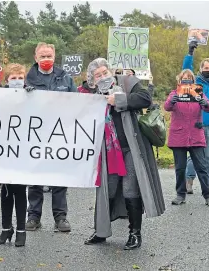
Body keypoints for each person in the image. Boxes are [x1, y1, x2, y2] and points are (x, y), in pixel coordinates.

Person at [82, 58, 165, 250]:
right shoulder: (92, 94)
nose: (102, 77)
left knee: (130, 189)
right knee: (107, 190)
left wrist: (119, 100)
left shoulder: (127, 82)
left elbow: (146, 98)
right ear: (93, 80)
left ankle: (134, 233)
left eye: (105, 72)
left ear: (111, 72)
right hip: (108, 150)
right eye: (98, 75)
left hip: (131, 147)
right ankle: (101, 231)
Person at [25, 42, 76, 232]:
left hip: (59, 134)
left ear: (54, 57)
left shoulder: (66, 79)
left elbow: (78, 103)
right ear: (35, 57)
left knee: (59, 178)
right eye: (42, 56)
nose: (46, 59)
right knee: (36, 178)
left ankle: (60, 217)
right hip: (35, 135)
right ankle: (33, 216)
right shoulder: (27, 79)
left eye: (49, 56)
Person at [0, 64, 33, 247]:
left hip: (23, 148)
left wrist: (33, 96)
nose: (17, 81)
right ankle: (5, 228)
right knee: (6, 190)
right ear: (6, 80)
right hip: (4, 148)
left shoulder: (30, 95)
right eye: (13, 78)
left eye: (20, 78)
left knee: (19, 190)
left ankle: (21, 231)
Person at [165, 69, 209, 207]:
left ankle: (208, 196)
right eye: (184, 78)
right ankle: (180, 195)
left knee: (202, 167)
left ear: (193, 81)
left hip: (195, 135)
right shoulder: (174, 93)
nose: (186, 80)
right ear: (179, 80)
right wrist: (172, 101)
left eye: (189, 78)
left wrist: (205, 103)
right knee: (180, 168)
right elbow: (167, 106)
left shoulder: (198, 92)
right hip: (179, 136)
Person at [183, 42, 209, 194]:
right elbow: (185, 70)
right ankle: (189, 181)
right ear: (200, 69)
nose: (208, 70)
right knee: (194, 156)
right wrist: (190, 53)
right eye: (205, 68)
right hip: (196, 125)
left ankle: (208, 182)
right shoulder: (195, 83)